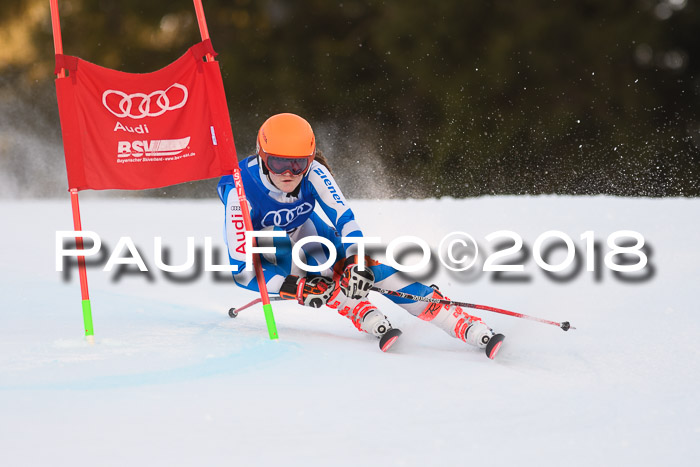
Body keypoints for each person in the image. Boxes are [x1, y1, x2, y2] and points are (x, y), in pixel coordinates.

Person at [217, 113, 503, 357]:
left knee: (359, 265)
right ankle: (356, 307)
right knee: (310, 271)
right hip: (267, 244)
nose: (289, 173)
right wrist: (296, 288)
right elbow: (242, 273)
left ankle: (452, 317)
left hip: (306, 228)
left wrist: (356, 261)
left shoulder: (314, 172)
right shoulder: (238, 193)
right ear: (262, 156)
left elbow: (345, 220)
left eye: (299, 164)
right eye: (279, 163)